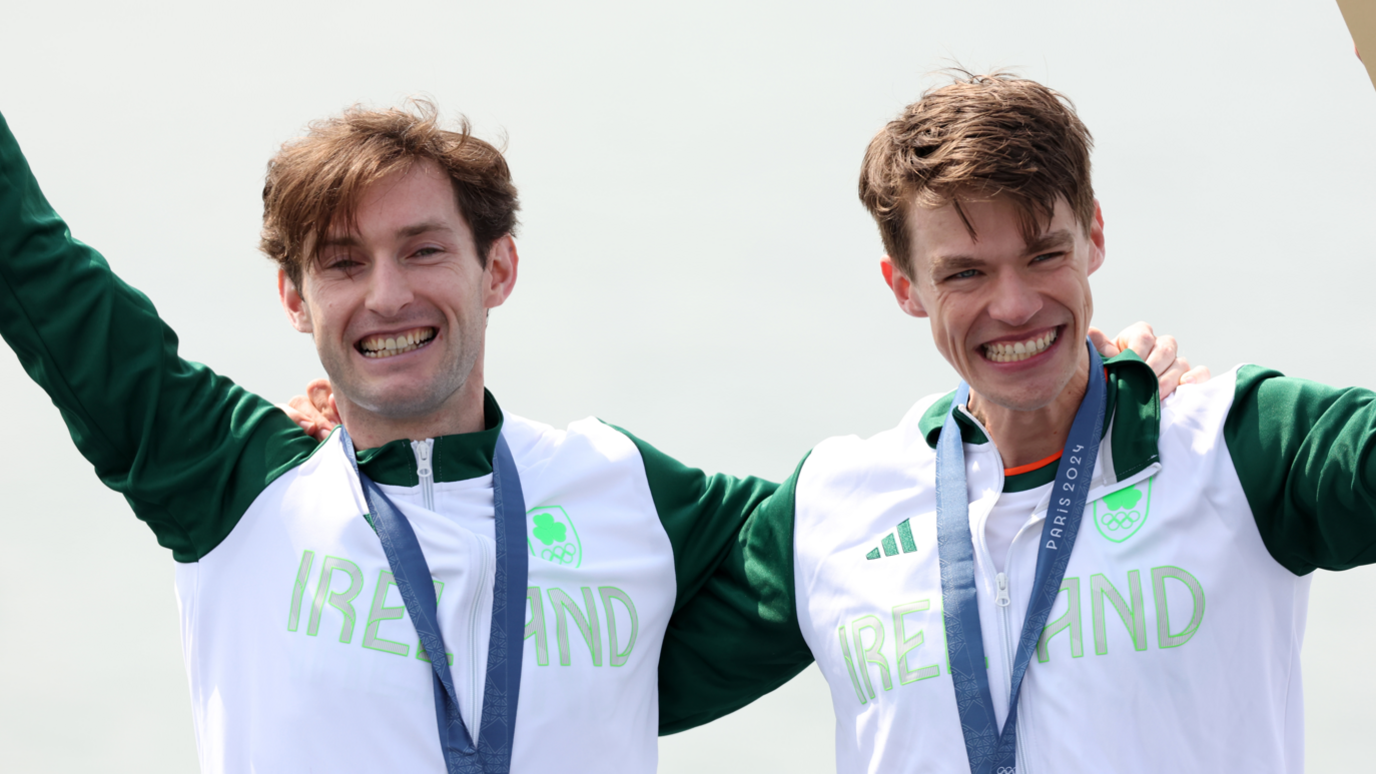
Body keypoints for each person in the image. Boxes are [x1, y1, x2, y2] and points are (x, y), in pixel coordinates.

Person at [0, 99, 1191, 771]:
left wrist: (1079, 382)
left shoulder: (620, 491)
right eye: (342, 265)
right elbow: (35, 268)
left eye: (423, 249)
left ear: (496, 268)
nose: (387, 296)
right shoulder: (230, 483)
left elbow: (880, 515)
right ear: (292, 302)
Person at [653, 72, 1376, 773]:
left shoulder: (1242, 447)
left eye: (1044, 255)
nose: (1015, 306)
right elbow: (590, 679)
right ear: (905, 286)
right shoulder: (833, 507)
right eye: (965, 274)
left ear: (1093, 234)